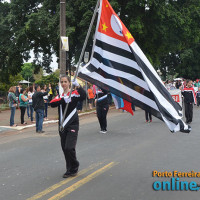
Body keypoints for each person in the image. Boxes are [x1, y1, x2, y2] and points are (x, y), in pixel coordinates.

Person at [50, 75, 86, 178]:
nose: (63, 84)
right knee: (65, 149)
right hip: (62, 126)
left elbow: (84, 96)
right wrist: (63, 100)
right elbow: (52, 104)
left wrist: (78, 86)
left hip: (73, 124)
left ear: (69, 83)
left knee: (69, 147)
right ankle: (69, 169)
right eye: (62, 82)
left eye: (65, 81)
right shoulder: (60, 96)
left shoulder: (74, 94)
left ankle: (75, 165)